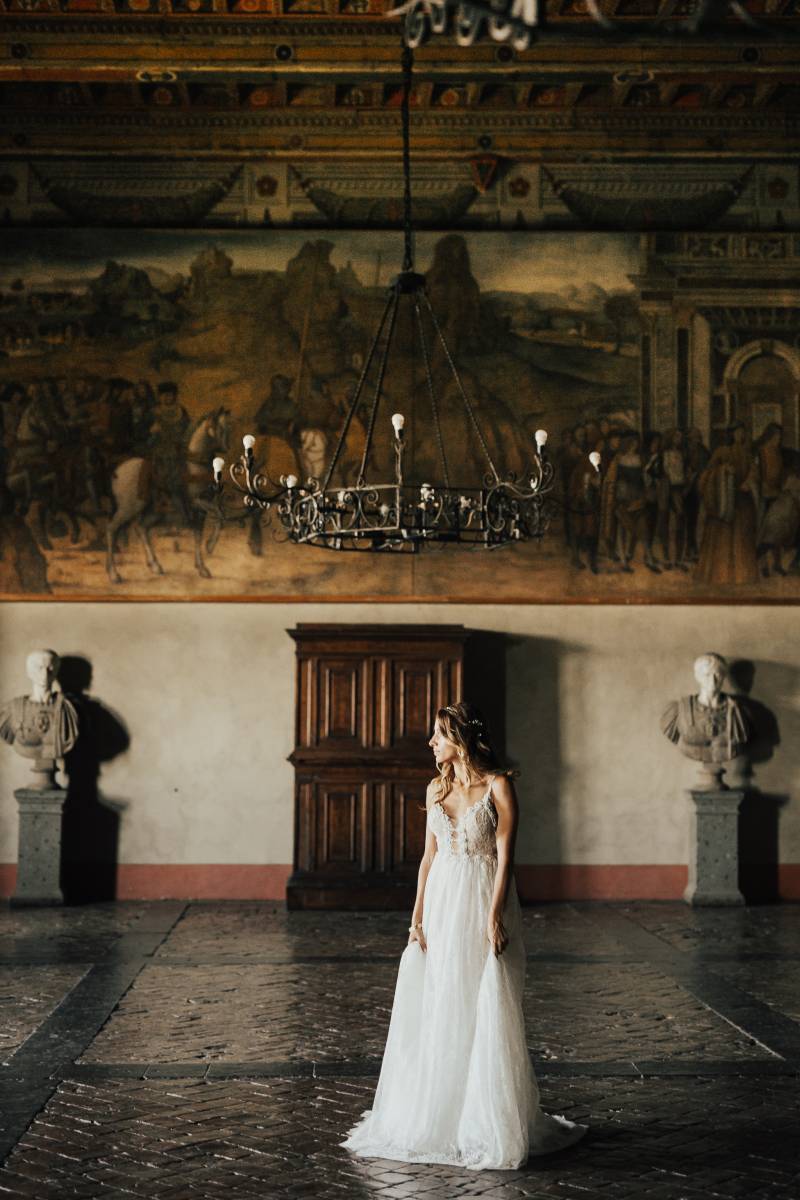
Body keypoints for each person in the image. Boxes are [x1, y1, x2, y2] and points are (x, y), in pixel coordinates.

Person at [341, 702, 588, 1170]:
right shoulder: (436, 788)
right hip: (441, 902)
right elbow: (428, 858)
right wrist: (416, 917)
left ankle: (484, 1119)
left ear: (461, 739)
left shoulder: (498, 785)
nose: (431, 743)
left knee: (482, 1001)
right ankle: (439, 1113)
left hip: (480, 899)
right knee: (441, 1000)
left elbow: (505, 857)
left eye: (438, 734)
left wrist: (494, 916)